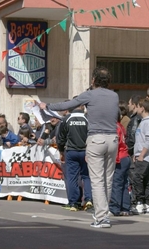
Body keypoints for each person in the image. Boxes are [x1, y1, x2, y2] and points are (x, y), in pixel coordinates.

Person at [39, 67, 119, 228]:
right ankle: (105, 213)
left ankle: (101, 217)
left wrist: (47, 105)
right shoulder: (114, 95)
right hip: (113, 138)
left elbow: (68, 104)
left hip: (96, 138)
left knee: (96, 180)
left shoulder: (90, 94)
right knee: (107, 179)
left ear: (93, 80)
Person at [56, 103, 91, 212]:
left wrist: (61, 150)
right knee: (87, 176)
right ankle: (89, 199)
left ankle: (74, 203)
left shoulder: (66, 119)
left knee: (72, 177)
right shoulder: (87, 118)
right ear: (82, 107)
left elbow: (60, 137)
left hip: (71, 151)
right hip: (86, 151)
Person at [132, 99, 149, 214]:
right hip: (141, 154)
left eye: (137, 106)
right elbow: (140, 139)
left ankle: (140, 202)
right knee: (145, 179)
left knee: (137, 177)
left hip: (145, 155)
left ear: (142, 107)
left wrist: (142, 154)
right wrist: (136, 153)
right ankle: (146, 204)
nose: (135, 109)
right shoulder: (144, 121)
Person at [109, 111, 131, 216]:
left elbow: (115, 144)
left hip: (120, 157)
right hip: (126, 156)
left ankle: (114, 208)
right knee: (124, 184)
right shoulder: (121, 126)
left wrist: (115, 160)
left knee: (116, 184)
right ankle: (125, 207)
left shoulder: (114, 128)